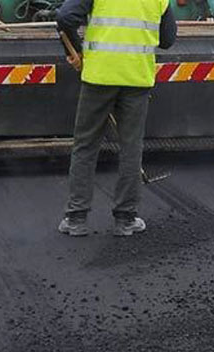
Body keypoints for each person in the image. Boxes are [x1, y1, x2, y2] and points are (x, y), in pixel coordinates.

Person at [56, 0, 177, 237]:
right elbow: (167, 40)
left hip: (99, 77)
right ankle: (126, 219)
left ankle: (76, 219)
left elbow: (64, 17)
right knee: (131, 148)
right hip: (136, 78)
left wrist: (75, 50)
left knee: (85, 146)